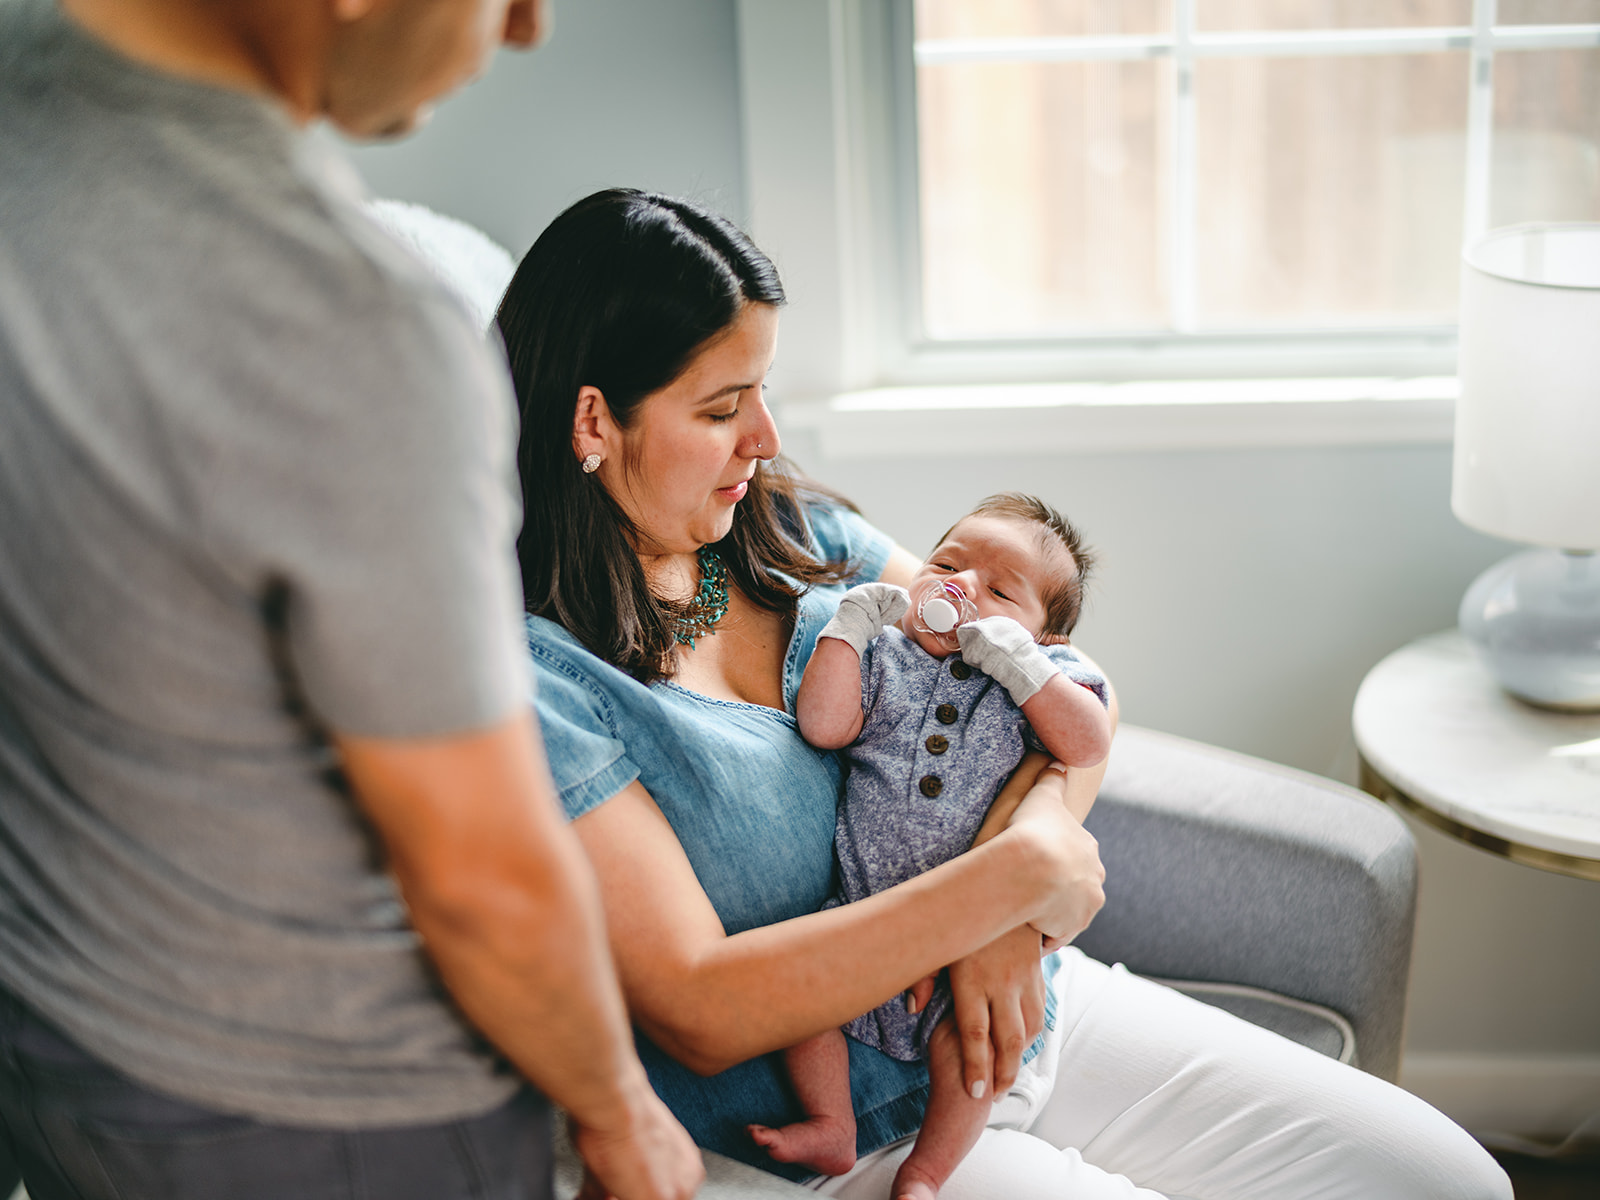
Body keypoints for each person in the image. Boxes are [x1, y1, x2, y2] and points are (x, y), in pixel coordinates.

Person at [503, 187, 1514, 1200]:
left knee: (1443, 1182)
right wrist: (1006, 885)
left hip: (1014, 1015)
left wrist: (1002, 921)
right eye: (722, 409)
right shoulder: (545, 683)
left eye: (762, 393)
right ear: (595, 417)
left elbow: (1077, 695)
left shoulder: (800, 541)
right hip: (848, 1139)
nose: (764, 437)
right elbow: (698, 1006)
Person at [0, 5, 700, 1200]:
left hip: (65, 1046)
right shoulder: (355, 320)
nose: (528, 29)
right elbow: (479, 869)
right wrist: (618, 1108)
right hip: (336, 1109)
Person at [750, 494, 1113, 1200]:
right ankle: (832, 1124)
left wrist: (1022, 667)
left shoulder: (1042, 680)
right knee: (801, 1003)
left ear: (1043, 636)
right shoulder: (888, 655)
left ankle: (926, 1170)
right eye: (946, 564)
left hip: (975, 944)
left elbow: (1088, 743)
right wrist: (849, 627)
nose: (962, 587)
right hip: (862, 916)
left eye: (1001, 591)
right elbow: (825, 727)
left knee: (972, 1051)